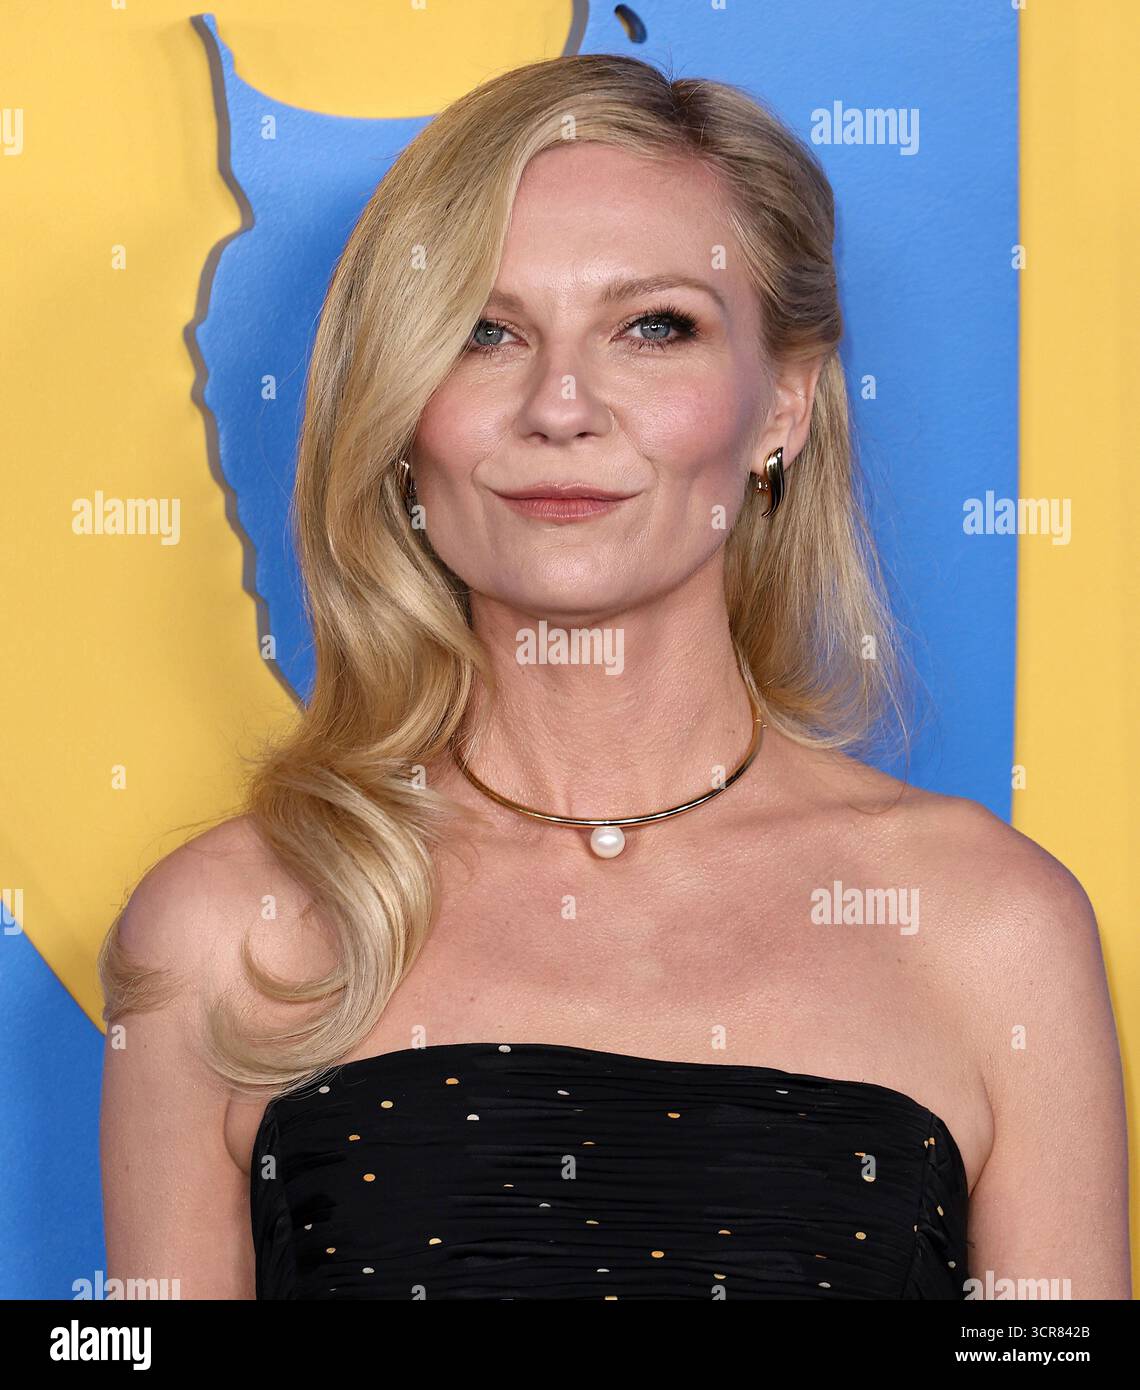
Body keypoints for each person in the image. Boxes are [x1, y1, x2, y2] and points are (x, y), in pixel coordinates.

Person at [98, 53, 1129, 1300]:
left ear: (782, 406)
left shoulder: (990, 927)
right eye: (486, 331)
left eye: (653, 327)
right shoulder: (227, 930)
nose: (561, 406)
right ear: (400, 408)